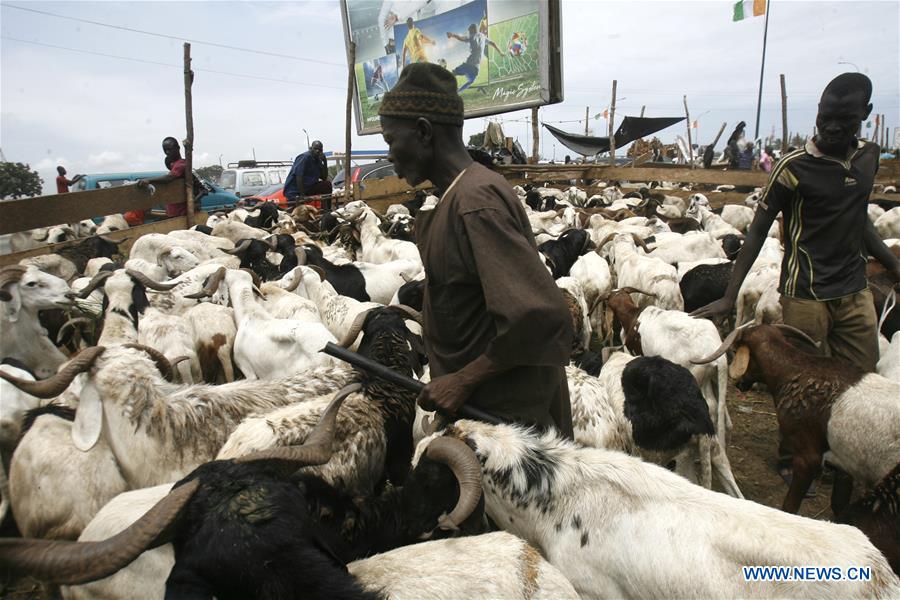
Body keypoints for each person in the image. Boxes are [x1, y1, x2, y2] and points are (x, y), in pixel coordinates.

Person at [691, 73, 900, 478]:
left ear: (866, 116)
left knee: (861, 377)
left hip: (855, 289)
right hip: (805, 290)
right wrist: (730, 293)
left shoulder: (868, 157)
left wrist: (893, 268)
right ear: (817, 114)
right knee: (803, 380)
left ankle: (841, 451)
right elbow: (756, 229)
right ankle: (793, 456)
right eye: (826, 118)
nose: (834, 127)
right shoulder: (792, 167)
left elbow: (861, 222)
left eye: (846, 120)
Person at [378, 62, 575, 437]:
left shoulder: (475, 203)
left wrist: (462, 381)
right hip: (481, 414)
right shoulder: (458, 196)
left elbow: (536, 317)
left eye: (391, 140)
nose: (390, 154)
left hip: (506, 425)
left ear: (422, 131)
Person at [134, 137, 190, 222]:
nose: (167, 152)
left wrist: (149, 180)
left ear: (178, 148)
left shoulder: (181, 164)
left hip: (180, 213)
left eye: (170, 149)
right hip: (173, 211)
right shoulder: (174, 165)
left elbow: (169, 177)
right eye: (165, 150)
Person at [446, 23, 501, 92]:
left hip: (467, 65)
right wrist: (500, 53)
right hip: (476, 69)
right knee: (470, 81)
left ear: (472, 30)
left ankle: (442, 85)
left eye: (469, 31)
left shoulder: (471, 36)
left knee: (453, 73)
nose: (469, 33)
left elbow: (462, 38)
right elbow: (493, 43)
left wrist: (453, 35)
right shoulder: (483, 37)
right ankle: (457, 92)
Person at [284, 140, 332, 209]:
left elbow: (324, 177)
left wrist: (325, 161)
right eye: (315, 149)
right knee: (300, 212)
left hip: (308, 188)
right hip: (295, 191)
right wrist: (303, 196)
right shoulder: (304, 157)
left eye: (320, 150)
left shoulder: (318, 160)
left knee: (327, 185)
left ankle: (326, 210)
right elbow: (299, 177)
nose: (317, 151)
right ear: (311, 148)